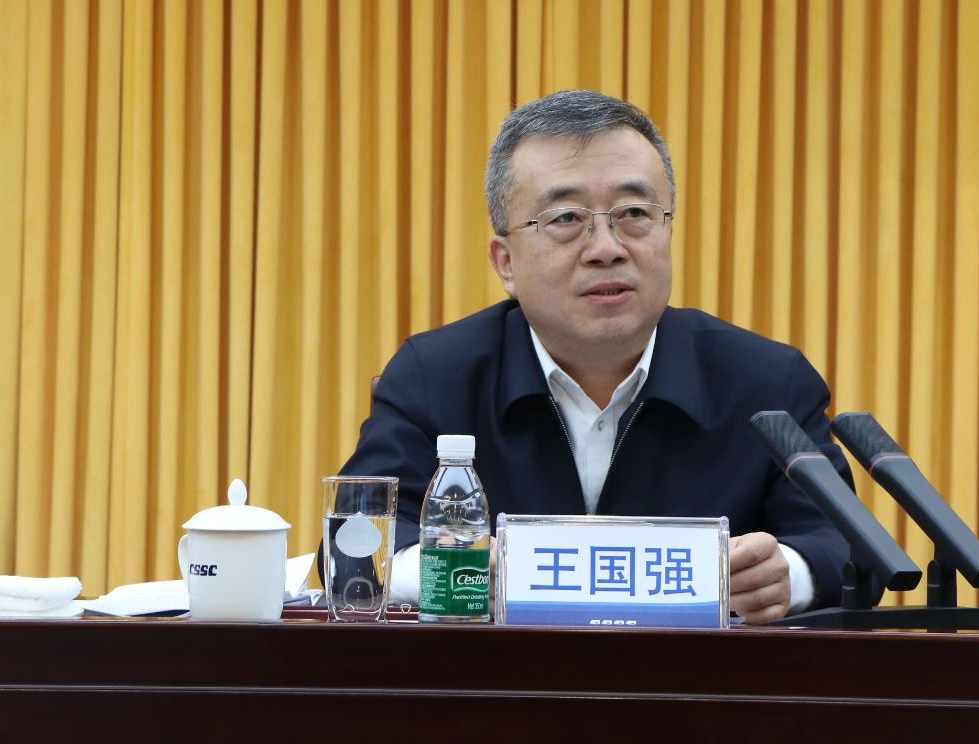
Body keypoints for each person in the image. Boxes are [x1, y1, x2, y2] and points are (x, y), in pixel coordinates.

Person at [340, 90, 855, 623]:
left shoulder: (767, 383)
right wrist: (453, 572)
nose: (607, 248)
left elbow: (842, 544)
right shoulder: (434, 376)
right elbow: (359, 544)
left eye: (634, 213)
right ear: (506, 262)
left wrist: (788, 574)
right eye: (566, 218)